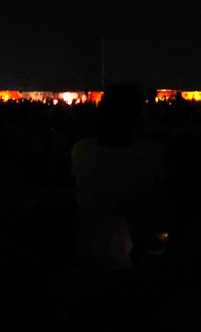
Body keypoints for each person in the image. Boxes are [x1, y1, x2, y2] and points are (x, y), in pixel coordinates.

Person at [70, 83, 167, 275]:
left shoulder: (82, 150)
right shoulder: (151, 155)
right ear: (138, 116)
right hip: (129, 263)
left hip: (86, 254)